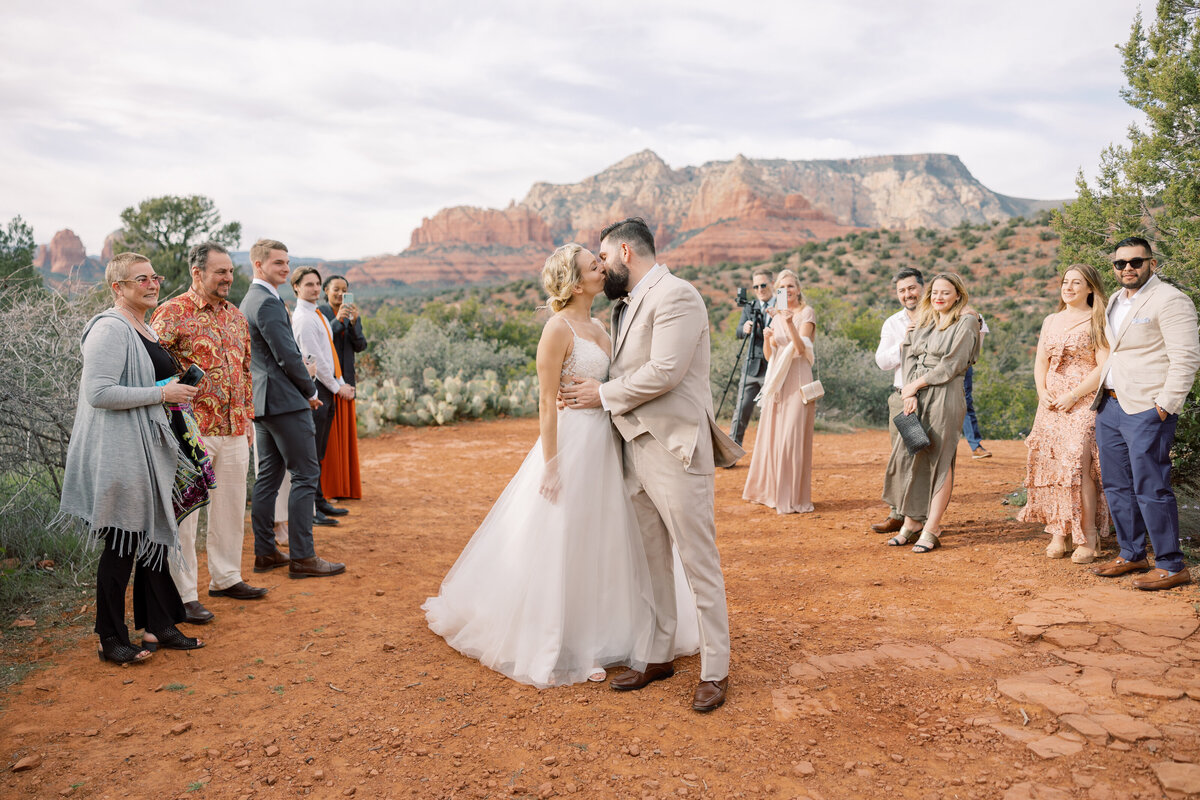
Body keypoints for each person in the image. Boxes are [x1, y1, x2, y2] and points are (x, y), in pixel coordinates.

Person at [423, 243, 699, 687]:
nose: (603, 268)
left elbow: (618, 385)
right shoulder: (557, 329)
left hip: (609, 445)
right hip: (572, 446)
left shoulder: (603, 326)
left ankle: (621, 633)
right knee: (568, 537)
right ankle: (574, 642)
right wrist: (551, 465)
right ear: (575, 282)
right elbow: (546, 404)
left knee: (608, 538)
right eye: (595, 265)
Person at [561, 217, 743, 713]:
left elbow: (665, 370)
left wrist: (599, 395)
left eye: (603, 257)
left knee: (696, 559)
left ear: (625, 251)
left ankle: (715, 668)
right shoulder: (623, 307)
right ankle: (658, 654)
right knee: (649, 560)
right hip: (629, 446)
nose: (601, 266)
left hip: (675, 447)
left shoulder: (677, 296)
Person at [60, 252, 205, 663]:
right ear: (117, 288)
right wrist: (162, 393)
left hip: (148, 450)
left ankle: (159, 625)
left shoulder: (145, 327)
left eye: (154, 277)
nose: (152, 283)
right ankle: (111, 639)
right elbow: (99, 392)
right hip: (120, 453)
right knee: (123, 544)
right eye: (140, 279)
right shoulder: (110, 328)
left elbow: (142, 380)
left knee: (152, 536)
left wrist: (172, 385)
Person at [151, 242, 268, 625]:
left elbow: (245, 369)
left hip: (234, 429)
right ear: (197, 273)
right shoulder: (171, 313)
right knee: (186, 516)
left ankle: (226, 577)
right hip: (190, 432)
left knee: (232, 508)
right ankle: (183, 595)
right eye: (220, 272)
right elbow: (149, 369)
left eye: (231, 271)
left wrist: (247, 418)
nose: (228, 278)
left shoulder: (236, 317)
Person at [1091, 237, 1200, 590]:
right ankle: (1132, 553)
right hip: (1110, 404)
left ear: (1152, 263)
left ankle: (1171, 564)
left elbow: (1186, 358)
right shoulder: (1113, 302)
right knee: (1116, 484)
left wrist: (1165, 405)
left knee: (1151, 486)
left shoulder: (1171, 300)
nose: (1127, 269)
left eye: (1136, 262)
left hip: (1147, 408)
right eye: (1120, 263)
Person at [240, 239, 346, 580]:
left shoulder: (251, 300)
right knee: (305, 474)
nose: (285, 268)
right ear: (258, 265)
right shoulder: (268, 303)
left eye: (287, 263)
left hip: (264, 403)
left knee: (268, 478)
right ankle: (303, 556)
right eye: (278, 264)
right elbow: (287, 355)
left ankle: (266, 551)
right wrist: (310, 390)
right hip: (284, 403)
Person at [881, 272, 981, 554]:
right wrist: (910, 392)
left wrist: (914, 385)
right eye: (935, 292)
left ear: (958, 295)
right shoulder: (924, 320)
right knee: (914, 454)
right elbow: (909, 354)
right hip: (917, 395)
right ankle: (912, 522)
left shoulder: (967, 321)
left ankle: (932, 527)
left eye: (946, 293)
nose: (939, 297)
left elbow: (952, 365)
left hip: (946, 394)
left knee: (940, 458)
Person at [1018, 265, 1111, 563]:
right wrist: (1042, 392)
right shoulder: (1051, 320)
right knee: (1053, 464)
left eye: (1076, 283)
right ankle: (1059, 532)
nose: (1068, 287)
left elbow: (1104, 366)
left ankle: (1089, 536)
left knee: (1076, 466)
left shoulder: (1098, 319)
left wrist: (1073, 395)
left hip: (1083, 400)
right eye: (1065, 282)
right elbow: (1040, 362)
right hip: (1050, 403)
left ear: (1090, 289)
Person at [742, 269, 816, 514]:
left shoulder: (806, 313)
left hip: (799, 379)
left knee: (791, 438)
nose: (787, 291)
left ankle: (793, 497)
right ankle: (771, 493)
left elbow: (800, 349)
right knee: (774, 436)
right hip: (778, 380)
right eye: (782, 288)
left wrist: (787, 321)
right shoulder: (775, 315)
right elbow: (770, 355)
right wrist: (766, 337)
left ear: (798, 288)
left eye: (791, 286)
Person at [289, 267, 354, 525]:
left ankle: (320, 502)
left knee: (320, 451)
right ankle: (313, 511)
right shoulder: (304, 319)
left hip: (328, 387)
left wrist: (339, 382)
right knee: (312, 453)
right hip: (316, 391)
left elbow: (330, 355)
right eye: (309, 285)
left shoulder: (320, 315)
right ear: (296, 287)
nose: (315, 289)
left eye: (317, 284)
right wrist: (336, 387)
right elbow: (313, 359)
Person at [872, 267, 925, 535]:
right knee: (903, 455)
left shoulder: (937, 316)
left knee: (927, 457)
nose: (907, 294)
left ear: (923, 288)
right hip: (903, 398)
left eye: (911, 288)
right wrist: (904, 342)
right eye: (902, 291)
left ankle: (922, 519)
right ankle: (898, 514)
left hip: (933, 398)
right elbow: (882, 362)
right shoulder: (893, 324)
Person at [318, 274, 365, 500]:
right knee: (331, 439)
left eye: (344, 290)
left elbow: (360, 345)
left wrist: (354, 323)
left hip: (348, 383)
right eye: (336, 289)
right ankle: (329, 489)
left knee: (346, 438)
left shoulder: (352, 314)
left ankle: (346, 487)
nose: (339, 294)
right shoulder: (321, 314)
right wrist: (337, 321)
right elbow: (324, 341)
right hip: (329, 383)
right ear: (326, 290)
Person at [728, 270, 773, 447]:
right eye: (756, 286)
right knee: (741, 411)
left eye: (763, 285)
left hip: (773, 367)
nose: (760, 289)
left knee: (772, 414)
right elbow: (738, 332)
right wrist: (745, 328)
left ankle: (771, 455)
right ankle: (732, 451)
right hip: (752, 367)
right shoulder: (750, 307)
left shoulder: (781, 306)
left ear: (772, 284)